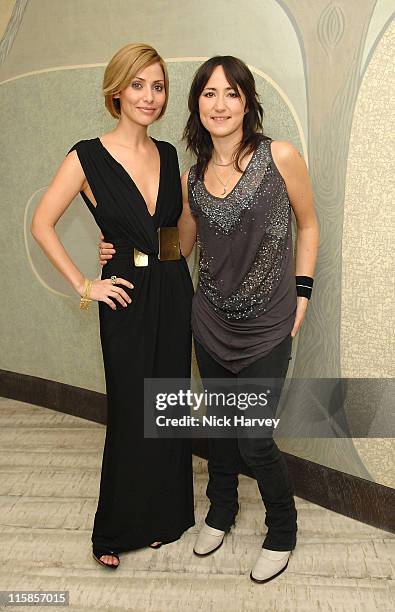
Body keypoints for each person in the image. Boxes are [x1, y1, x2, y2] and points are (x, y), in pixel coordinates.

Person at [100, 55, 319, 582]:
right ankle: (221, 511)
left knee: (253, 438)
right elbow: (175, 247)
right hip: (210, 323)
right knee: (221, 429)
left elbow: (308, 226)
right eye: (209, 94)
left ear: (247, 102)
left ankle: (282, 528)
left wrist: (303, 296)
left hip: (268, 326)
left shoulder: (280, 157)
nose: (220, 104)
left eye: (232, 93)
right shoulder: (192, 177)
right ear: (197, 105)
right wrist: (122, 250)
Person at [31, 43, 195, 570]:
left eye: (158, 86)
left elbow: (177, 237)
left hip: (172, 289)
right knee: (130, 408)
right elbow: (41, 224)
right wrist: (86, 283)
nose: (149, 96)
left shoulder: (169, 155)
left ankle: (162, 517)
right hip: (123, 295)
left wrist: (151, 245)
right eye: (138, 84)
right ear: (116, 91)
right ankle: (118, 526)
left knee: (165, 406)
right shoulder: (86, 155)